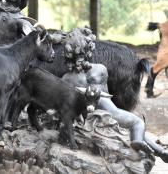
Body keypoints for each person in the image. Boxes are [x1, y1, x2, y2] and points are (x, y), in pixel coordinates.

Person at [61, 27, 168, 162]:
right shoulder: (99, 69)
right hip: (106, 109)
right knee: (136, 122)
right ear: (90, 51)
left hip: (85, 114)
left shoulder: (66, 78)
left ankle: (156, 149)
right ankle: (151, 148)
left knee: (127, 123)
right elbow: (105, 93)